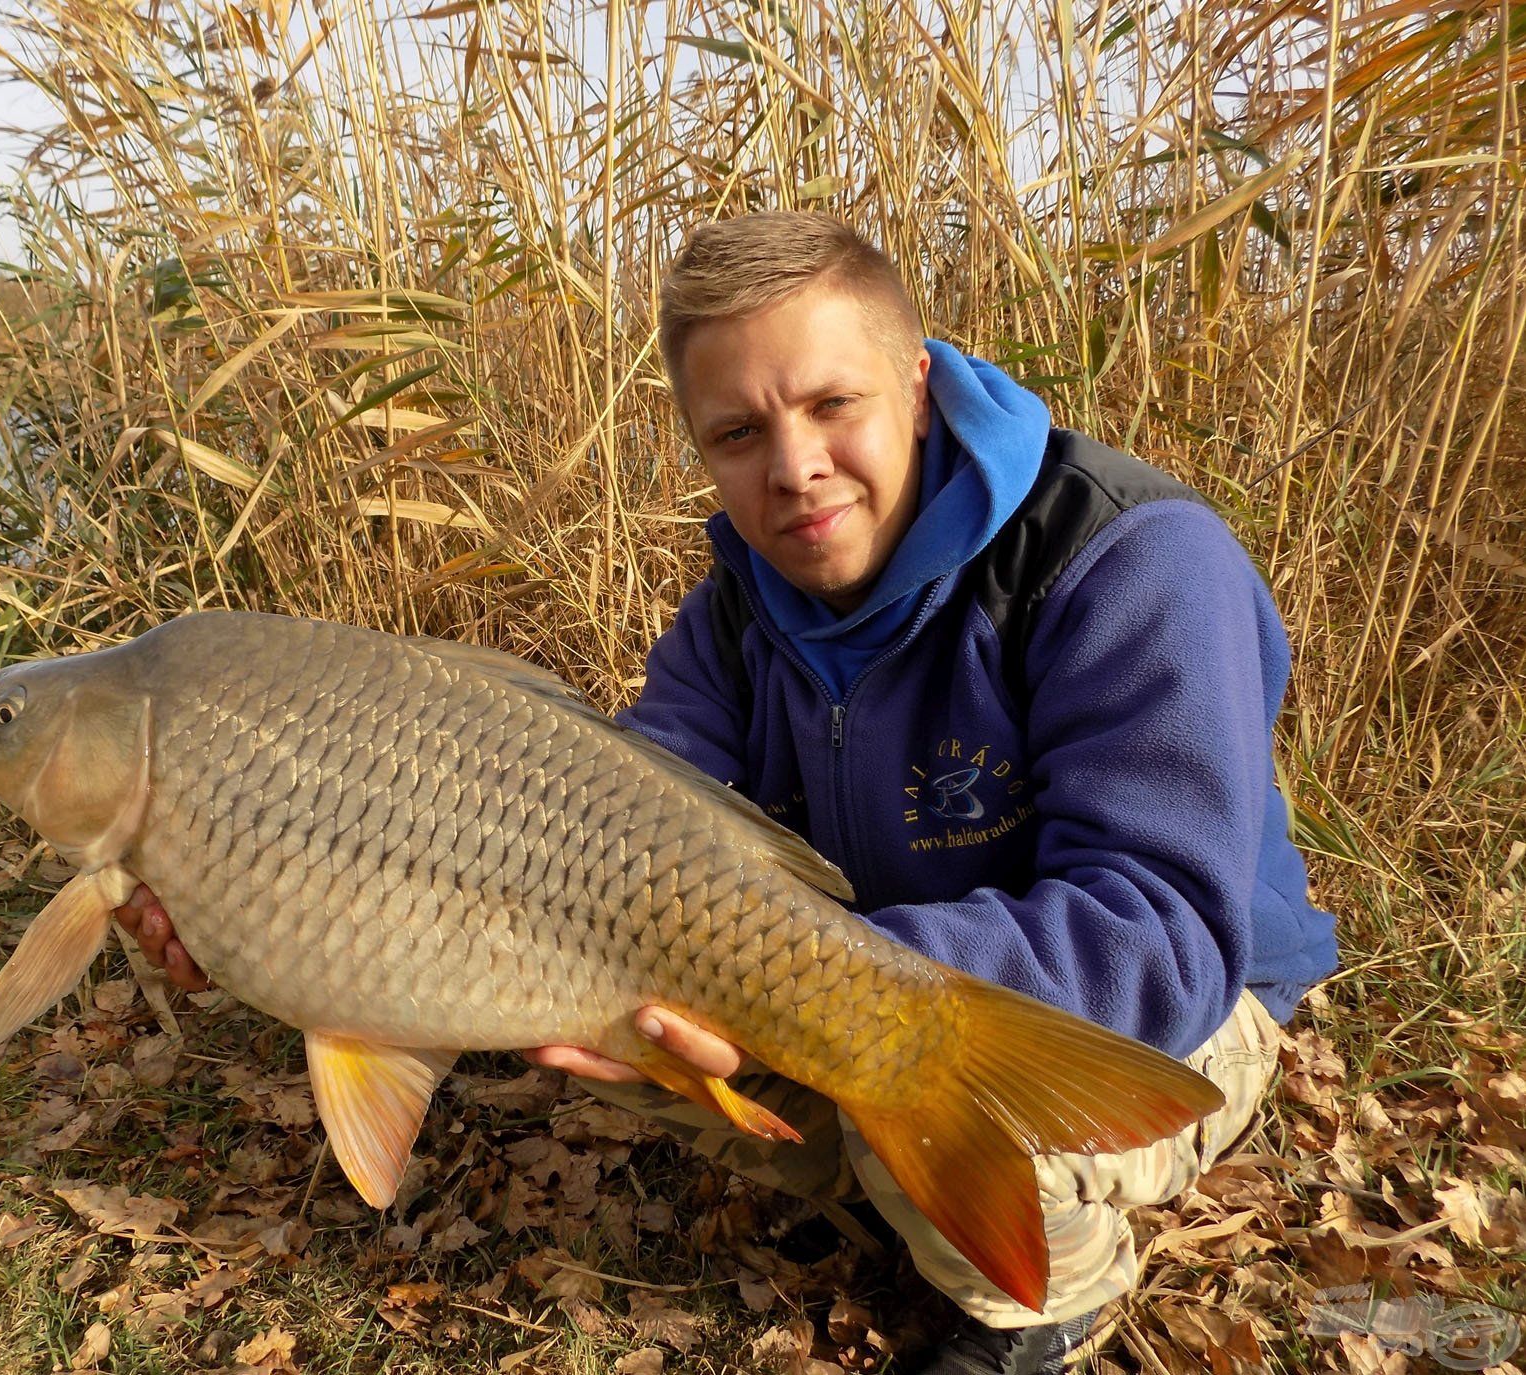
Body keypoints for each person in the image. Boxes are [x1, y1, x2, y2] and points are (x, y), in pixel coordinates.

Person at [114, 212, 1337, 1374]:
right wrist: (274, 914)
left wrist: (838, 998)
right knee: (618, 1026)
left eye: (830, 404)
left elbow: (1162, 936)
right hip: (886, 958)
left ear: (914, 379)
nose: (794, 469)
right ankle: (889, 1148)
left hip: (1185, 1001)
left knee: (888, 1065)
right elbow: (614, 821)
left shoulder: (1126, 560)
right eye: (737, 435)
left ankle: (1050, 1303)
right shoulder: (740, 608)